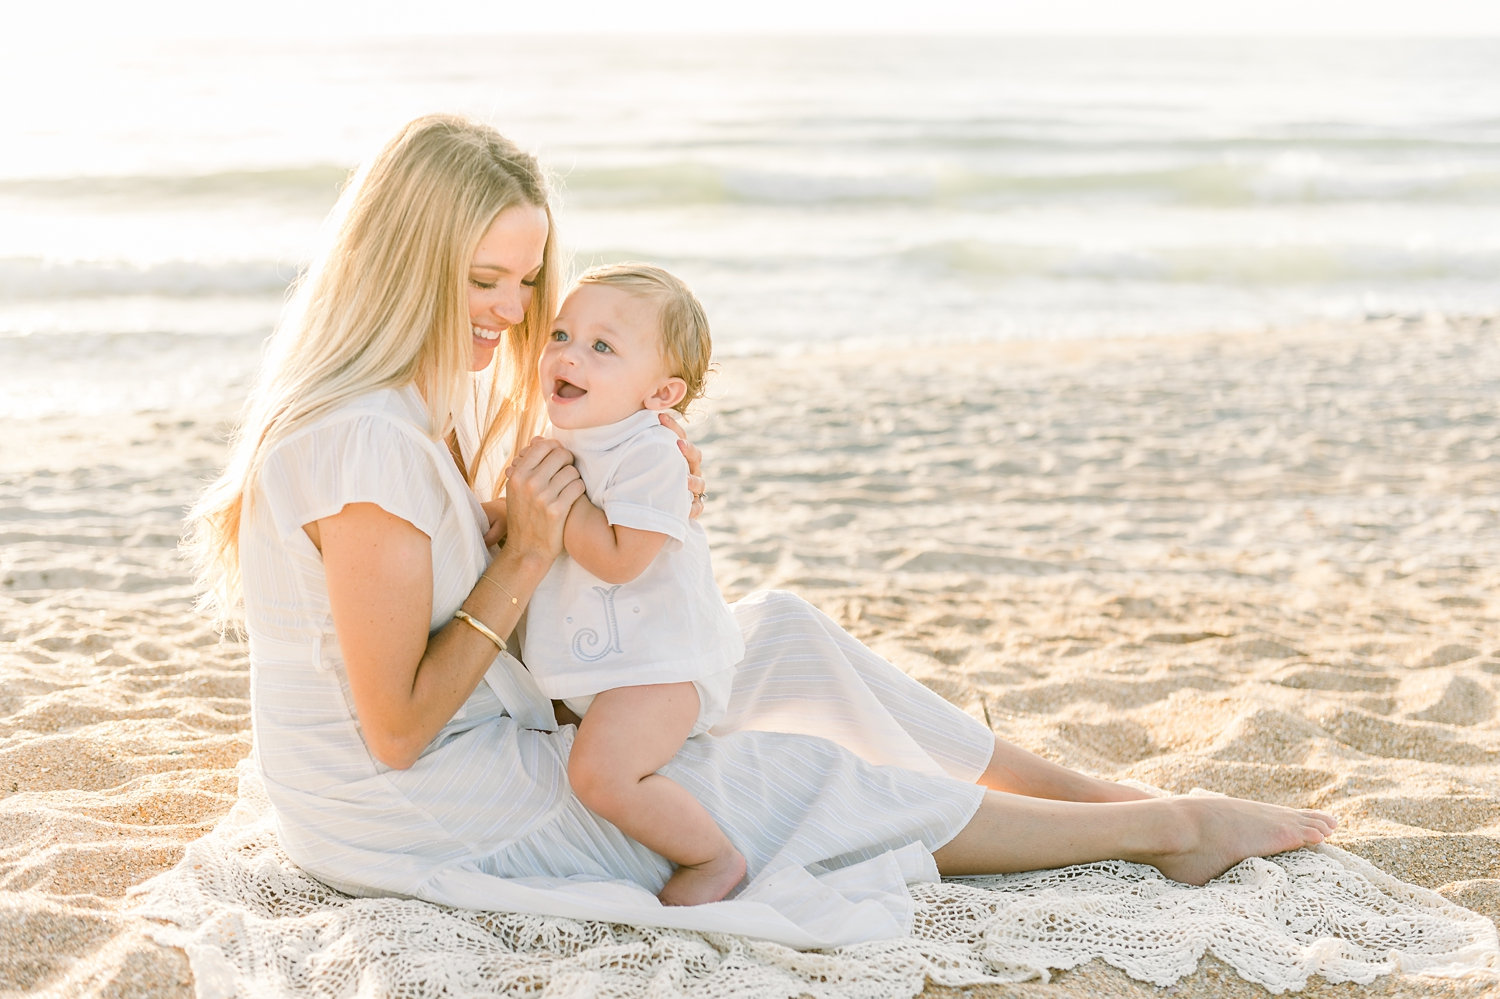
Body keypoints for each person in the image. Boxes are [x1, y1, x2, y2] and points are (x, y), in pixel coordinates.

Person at [186, 112, 1336, 946]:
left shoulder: (411, 413)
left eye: (526, 284)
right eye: (483, 279)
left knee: (775, 633)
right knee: (796, 783)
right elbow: (395, 729)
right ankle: (1167, 828)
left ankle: (1098, 800)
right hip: (409, 806)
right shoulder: (365, 447)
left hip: (466, 745)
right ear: (404, 267)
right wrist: (533, 546)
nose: (510, 315)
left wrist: (599, 500)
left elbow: (458, 583)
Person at [522, 262, 746, 906]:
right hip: (607, 662)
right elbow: (540, 515)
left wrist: (550, 505)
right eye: (561, 335)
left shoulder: (651, 453)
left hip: (659, 670)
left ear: (661, 395)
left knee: (600, 777)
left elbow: (621, 559)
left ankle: (713, 858)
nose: (568, 356)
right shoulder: (575, 436)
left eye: (602, 347)